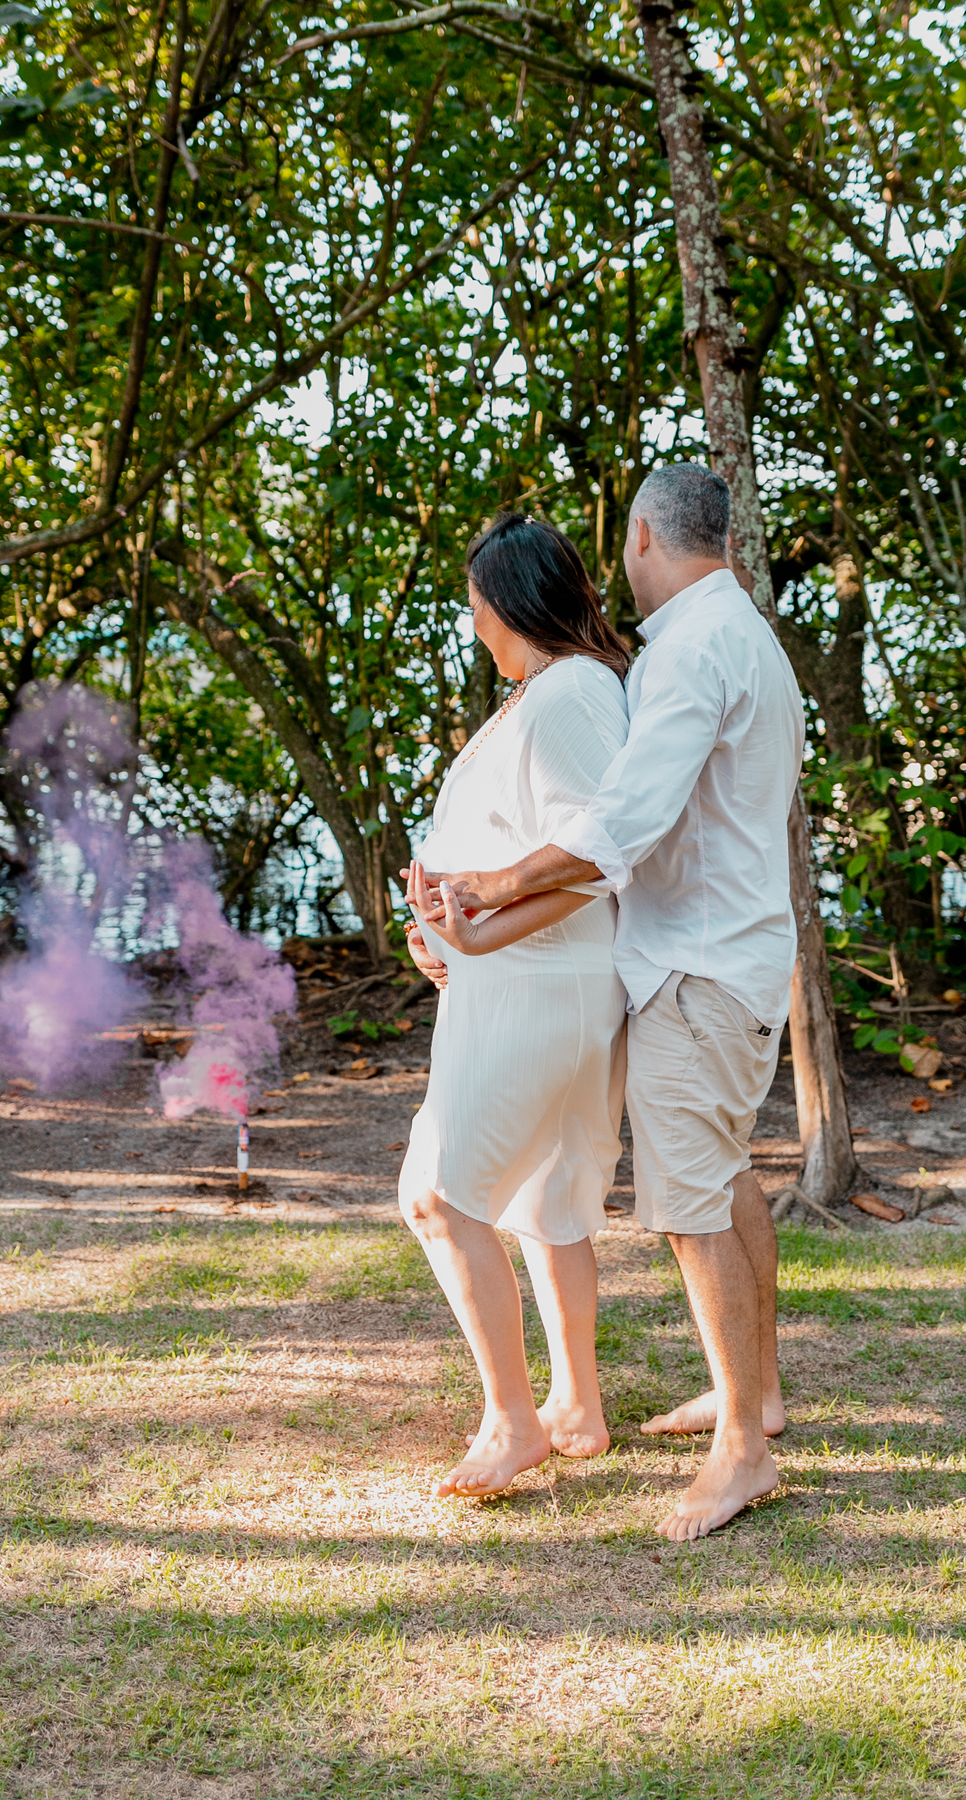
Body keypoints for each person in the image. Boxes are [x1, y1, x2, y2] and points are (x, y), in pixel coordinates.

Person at [415, 463, 805, 1542]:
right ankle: (756, 1397)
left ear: (641, 538)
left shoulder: (691, 647)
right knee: (724, 1183)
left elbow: (620, 822)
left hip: (696, 965)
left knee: (689, 1209)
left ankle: (741, 1454)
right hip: (729, 956)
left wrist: (486, 894)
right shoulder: (747, 639)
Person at [398, 512, 632, 1500]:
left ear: (503, 599)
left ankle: (511, 1422)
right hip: (522, 981)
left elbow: (602, 848)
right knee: (548, 1200)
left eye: (473, 601)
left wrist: (482, 924)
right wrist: (444, 936)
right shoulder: (544, 692)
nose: (470, 620)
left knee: (437, 1195)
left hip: (543, 983)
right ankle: (575, 1407)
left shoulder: (573, 692)